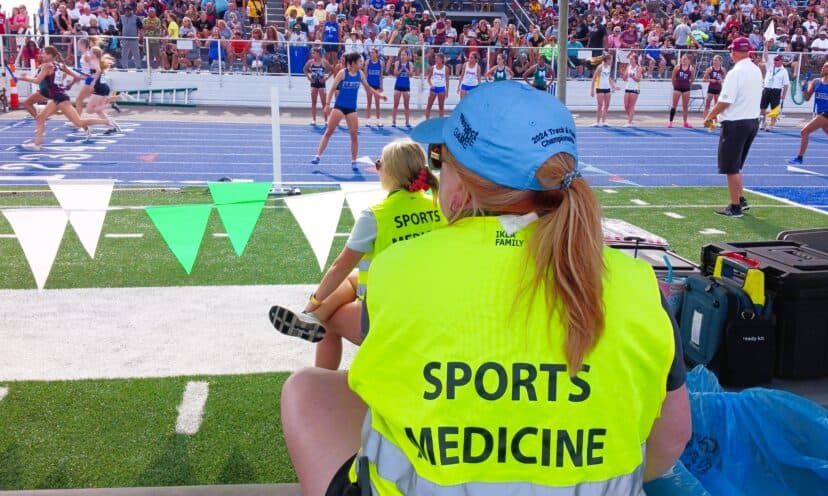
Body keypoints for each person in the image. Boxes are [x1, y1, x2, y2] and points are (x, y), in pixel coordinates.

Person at [281, 81, 692, 495]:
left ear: (461, 188)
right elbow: (671, 439)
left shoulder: (397, 270)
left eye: (441, 161)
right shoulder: (640, 286)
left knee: (308, 389)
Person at [270, 138, 443, 369]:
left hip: (389, 316)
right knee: (353, 278)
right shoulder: (439, 206)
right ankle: (311, 319)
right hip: (433, 307)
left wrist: (314, 301)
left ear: (389, 171)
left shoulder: (375, 215)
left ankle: (320, 369)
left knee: (329, 322)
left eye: (379, 163)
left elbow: (339, 266)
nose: (377, 168)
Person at [704, 37, 763, 218]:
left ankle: (735, 206)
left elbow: (725, 100)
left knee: (730, 166)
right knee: (736, 166)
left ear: (735, 52)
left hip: (736, 122)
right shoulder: (756, 70)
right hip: (752, 121)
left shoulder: (735, 72)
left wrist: (710, 116)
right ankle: (741, 199)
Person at [17, 47, 111, 151]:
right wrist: (68, 84)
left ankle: (105, 121)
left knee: (78, 122)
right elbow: (76, 77)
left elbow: (37, 81)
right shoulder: (60, 65)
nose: (41, 55)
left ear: (50, 55)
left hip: (60, 98)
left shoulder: (47, 66)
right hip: (57, 97)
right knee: (40, 118)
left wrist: (24, 78)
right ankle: (37, 145)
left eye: (43, 53)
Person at [311, 53, 387, 169]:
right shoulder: (343, 73)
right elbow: (331, 89)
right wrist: (327, 105)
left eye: (362, 62)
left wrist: (379, 96)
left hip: (352, 109)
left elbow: (368, 88)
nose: (361, 63)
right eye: (360, 62)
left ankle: (354, 161)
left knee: (354, 135)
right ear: (352, 63)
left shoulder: (360, 74)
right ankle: (318, 156)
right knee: (329, 132)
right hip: (339, 107)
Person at [788, 62, 828, 165]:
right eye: (823, 66)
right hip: (820, 112)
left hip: (826, 113)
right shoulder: (816, 82)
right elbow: (806, 98)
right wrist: (804, 88)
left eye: (826, 67)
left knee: (804, 132)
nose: (823, 68)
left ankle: (799, 158)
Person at [84, 47, 122, 135]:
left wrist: (93, 82)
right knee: (98, 110)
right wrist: (89, 76)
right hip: (103, 87)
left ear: (94, 54)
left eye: (91, 52)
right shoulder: (97, 61)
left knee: (89, 110)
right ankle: (111, 126)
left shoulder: (95, 61)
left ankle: (110, 105)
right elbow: (96, 72)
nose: (89, 53)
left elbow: (98, 71)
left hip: (99, 87)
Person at [759, 53, 790, 132]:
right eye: (774, 60)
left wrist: (784, 95)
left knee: (774, 109)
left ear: (781, 61)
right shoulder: (770, 66)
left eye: (777, 60)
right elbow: (765, 57)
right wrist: (765, 46)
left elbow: (786, 84)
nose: (775, 61)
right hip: (766, 89)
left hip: (776, 91)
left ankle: (771, 125)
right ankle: (763, 122)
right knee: (762, 108)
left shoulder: (784, 71)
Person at [303, 47, 332, 126]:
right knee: (314, 102)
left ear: (318, 54)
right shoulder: (310, 62)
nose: (313, 54)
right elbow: (304, 69)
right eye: (312, 53)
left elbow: (331, 71)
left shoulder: (324, 62)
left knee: (324, 103)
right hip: (313, 83)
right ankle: (314, 120)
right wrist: (309, 77)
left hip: (321, 83)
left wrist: (326, 78)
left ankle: (326, 120)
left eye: (314, 53)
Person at [590, 54, 618, 127]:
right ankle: (597, 121)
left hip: (607, 88)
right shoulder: (600, 67)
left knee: (607, 105)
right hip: (600, 88)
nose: (611, 61)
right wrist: (592, 90)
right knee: (600, 106)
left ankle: (603, 121)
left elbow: (609, 78)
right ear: (607, 60)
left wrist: (614, 86)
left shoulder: (609, 67)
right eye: (611, 59)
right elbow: (593, 79)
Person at [669, 54, 694, 128]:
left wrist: (688, 83)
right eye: (683, 59)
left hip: (686, 89)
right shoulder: (677, 67)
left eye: (685, 59)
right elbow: (673, 78)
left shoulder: (691, 68)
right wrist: (675, 86)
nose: (683, 60)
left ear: (689, 61)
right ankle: (670, 122)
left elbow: (692, 79)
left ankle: (685, 122)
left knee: (685, 107)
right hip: (677, 88)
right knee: (674, 106)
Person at [390, 49, 412, 128]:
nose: (403, 56)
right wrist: (400, 69)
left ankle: (407, 122)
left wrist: (405, 69)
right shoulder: (397, 63)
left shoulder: (410, 64)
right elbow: (395, 74)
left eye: (404, 55)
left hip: (406, 87)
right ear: (400, 56)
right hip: (398, 86)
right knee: (395, 104)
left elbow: (411, 74)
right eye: (401, 55)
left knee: (406, 105)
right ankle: (393, 121)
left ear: (407, 56)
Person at [424, 52, 449, 119]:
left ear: (442, 59)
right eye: (436, 58)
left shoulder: (446, 68)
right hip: (434, 88)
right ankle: (427, 120)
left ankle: (440, 122)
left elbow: (447, 81)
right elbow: (428, 79)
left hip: (441, 89)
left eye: (438, 58)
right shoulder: (433, 68)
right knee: (429, 105)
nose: (436, 60)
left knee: (441, 106)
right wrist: (431, 85)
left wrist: (447, 91)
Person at [364, 47, 384, 127]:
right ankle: (368, 120)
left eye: (373, 53)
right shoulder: (368, 62)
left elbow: (381, 75)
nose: (371, 54)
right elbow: (365, 75)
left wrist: (381, 86)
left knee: (377, 103)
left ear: (376, 54)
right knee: (369, 102)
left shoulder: (380, 63)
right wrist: (366, 85)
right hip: (369, 85)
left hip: (377, 86)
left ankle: (378, 120)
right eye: (370, 53)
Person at [623, 51, 642, 127]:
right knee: (626, 105)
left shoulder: (638, 68)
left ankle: (629, 122)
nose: (630, 60)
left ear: (635, 60)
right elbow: (624, 78)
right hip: (628, 87)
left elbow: (638, 79)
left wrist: (632, 76)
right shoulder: (628, 67)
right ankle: (631, 118)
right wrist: (624, 74)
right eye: (630, 59)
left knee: (631, 105)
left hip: (635, 88)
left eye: (632, 59)